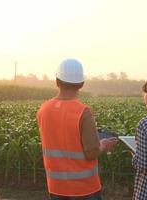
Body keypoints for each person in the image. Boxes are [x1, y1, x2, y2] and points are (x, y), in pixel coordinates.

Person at [37, 58, 118, 200]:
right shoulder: (83, 112)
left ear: (57, 81)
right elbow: (92, 152)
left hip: (56, 187)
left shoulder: (43, 110)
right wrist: (104, 145)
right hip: (85, 189)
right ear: (81, 84)